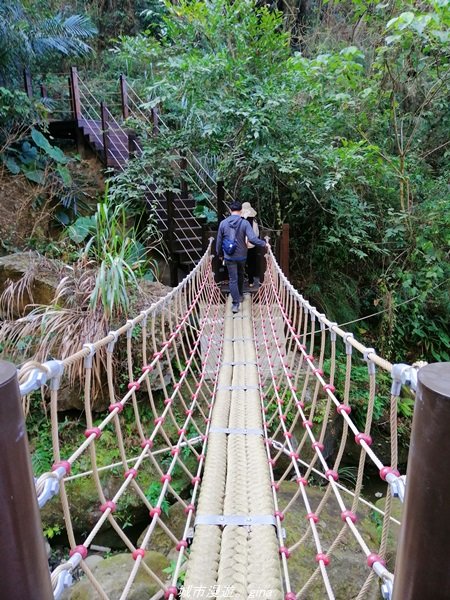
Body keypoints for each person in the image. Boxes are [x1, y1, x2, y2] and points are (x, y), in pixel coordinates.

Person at [216, 201, 266, 313]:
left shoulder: (223, 223)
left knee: (232, 279)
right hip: (242, 256)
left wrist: (220, 254)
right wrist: (264, 243)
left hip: (229, 256)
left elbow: (219, 241)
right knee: (240, 275)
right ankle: (240, 295)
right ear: (241, 211)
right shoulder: (245, 223)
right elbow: (252, 239)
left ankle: (235, 304)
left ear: (230, 210)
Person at [241, 201, 260, 287]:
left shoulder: (240, 220)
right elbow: (256, 234)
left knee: (240, 263)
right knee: (251, 263)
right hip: (252, 245)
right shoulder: (254, 221)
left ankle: (240, 281)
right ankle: (251, 281)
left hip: (241, 246)